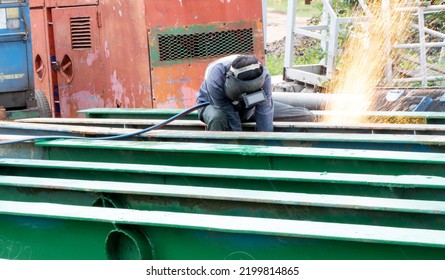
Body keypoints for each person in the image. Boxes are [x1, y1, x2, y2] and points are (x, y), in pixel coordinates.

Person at [196, 54, 314, 131]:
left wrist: (264, 142)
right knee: (218, 118)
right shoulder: (215, 75)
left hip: (248, 109)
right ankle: (219, 158)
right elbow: (229, 114)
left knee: (306, 116)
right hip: (214, 106)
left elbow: (264, 109)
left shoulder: (264, 75)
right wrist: (239, 142)